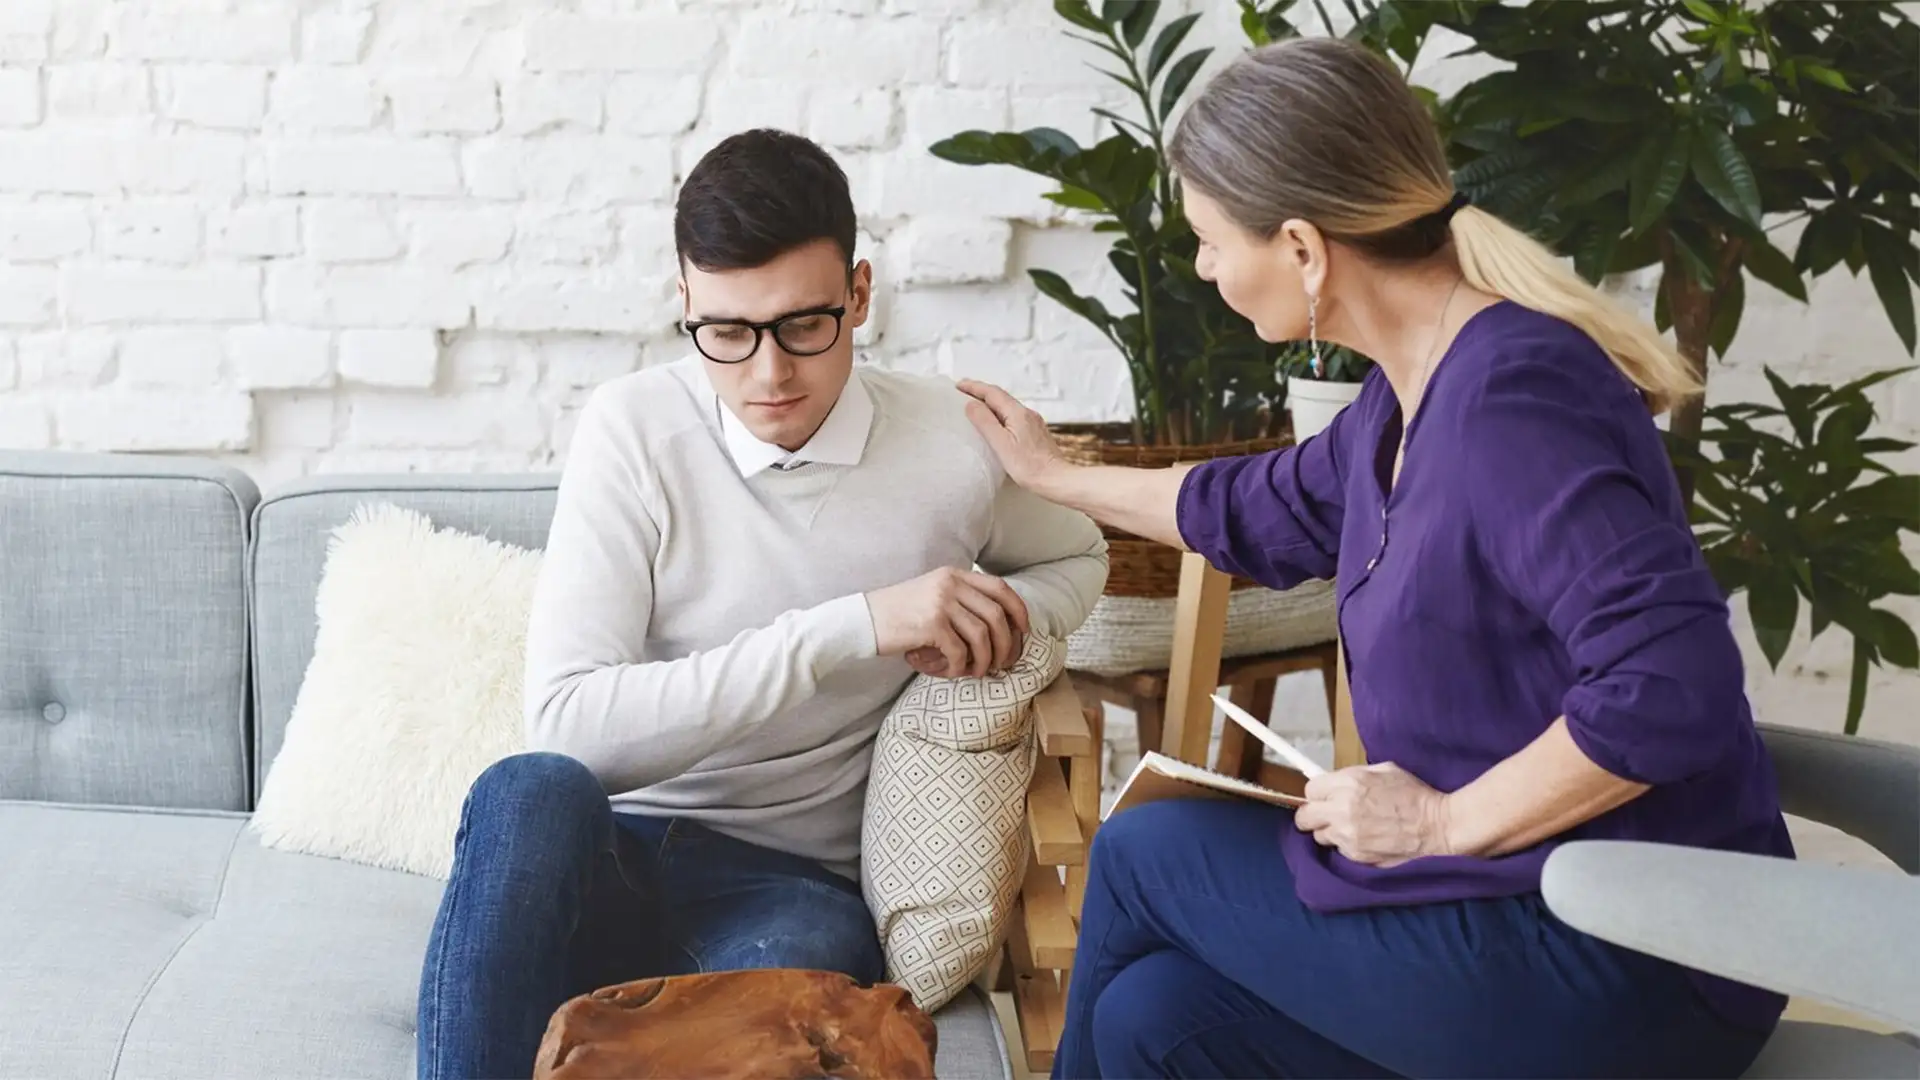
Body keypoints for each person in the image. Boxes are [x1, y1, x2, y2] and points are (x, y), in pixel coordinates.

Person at [960, 37, 1791, 1080]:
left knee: (1141, 851)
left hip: (1632, 958)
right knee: (1152, 1020)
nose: (1207, 267)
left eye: (1214, 240)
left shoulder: (1510, 403)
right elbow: (1244, 504)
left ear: (1304, 249)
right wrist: (1052, 473)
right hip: (1505, 904)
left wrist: (1443, 819)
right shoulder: (1399, 402)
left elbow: (1673, 688)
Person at [414, 128, 1109, 1080]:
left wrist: (996, 611)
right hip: (608, 847)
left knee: (809, 996)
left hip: (788, 883)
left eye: (803, 326)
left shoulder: (952, 442)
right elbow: (571, 729)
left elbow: (1080, 554)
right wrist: (853, 625)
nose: (769, 374)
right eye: (728, 334)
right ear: (687, 301)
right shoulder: (634, 429)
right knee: (528, 788)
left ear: (859, 294)